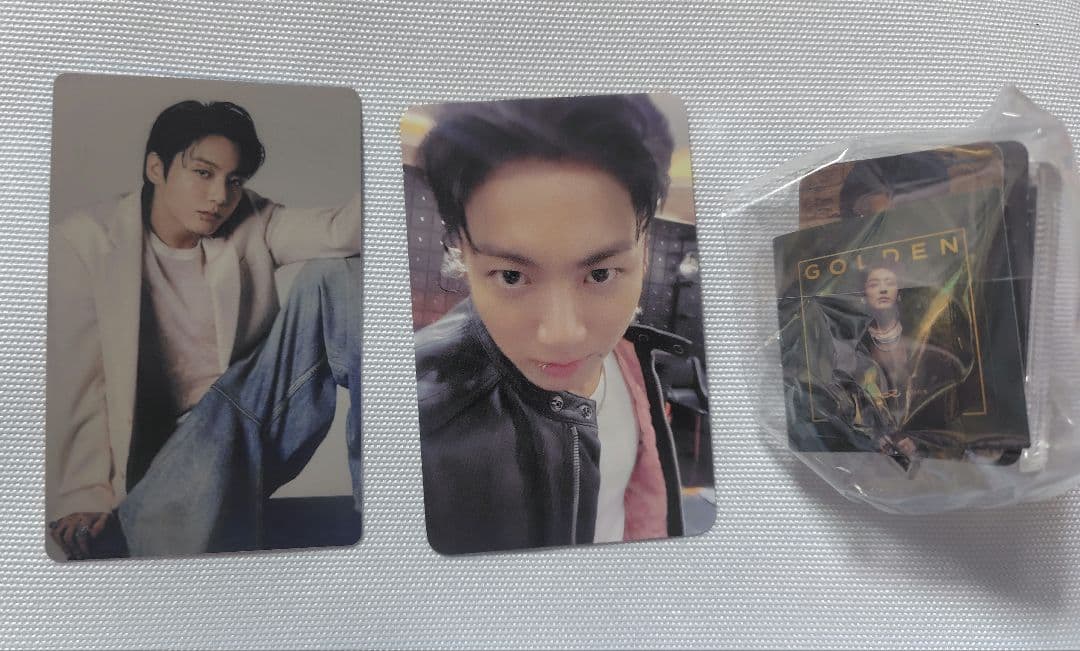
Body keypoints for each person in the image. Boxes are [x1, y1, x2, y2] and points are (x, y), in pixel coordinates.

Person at [47, 100, 362, 559]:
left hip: (253, 421)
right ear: (156, 168)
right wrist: (83, 495)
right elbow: (83, 381)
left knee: (336, 278)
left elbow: (341, 233)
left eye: (233, 180)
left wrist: (402, 155)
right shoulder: (87, 242)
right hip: (171, 455)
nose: (219, 196)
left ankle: (386, 498)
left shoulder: (250, 218)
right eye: (203, 173)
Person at [412, 95, 697, 554]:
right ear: (463, 255)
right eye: (512, 276)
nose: (562, 335)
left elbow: (643, 507)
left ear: (643, 254)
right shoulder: (421, 423)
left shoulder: (630, 355)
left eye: (600, 274)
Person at [839, 261, 967, 463]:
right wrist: (874, 438)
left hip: (931, 456)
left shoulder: (922, 342)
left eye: (889, 283)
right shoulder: (854, 348)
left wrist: (918, 441)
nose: (882, 289)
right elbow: (848, 403)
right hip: (872, 459)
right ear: (864, 295)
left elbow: (941, 402)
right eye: (874, 284)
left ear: (899, 293)